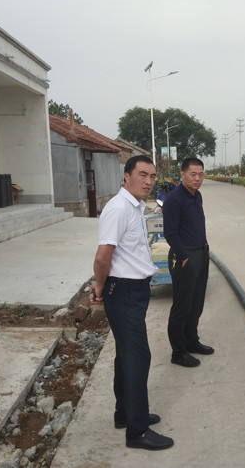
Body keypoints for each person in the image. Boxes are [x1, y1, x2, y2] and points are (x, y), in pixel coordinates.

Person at [90, 155, 173, 450]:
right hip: (123, 292)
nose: (148, 181)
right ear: (126, 176)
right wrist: (100, 286)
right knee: (138, 357)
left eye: (152, 176)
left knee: (126, 355)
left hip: (133, 290)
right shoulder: (119, 208)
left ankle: (125, 413)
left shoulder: (135, 206)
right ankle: (137, 431)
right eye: (142, 175)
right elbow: (103, 256)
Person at [163, 157, 213, 368]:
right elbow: (170, 233)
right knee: (182, 306)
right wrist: (183, 256)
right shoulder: (174, 199)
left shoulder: (197, 195)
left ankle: (192, 341)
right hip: (185, 256)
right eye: (193, 174)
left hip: (201, 253)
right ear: (182, 174)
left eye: (201, 174)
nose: (197, 178)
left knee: (196, 303)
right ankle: (178, 351)